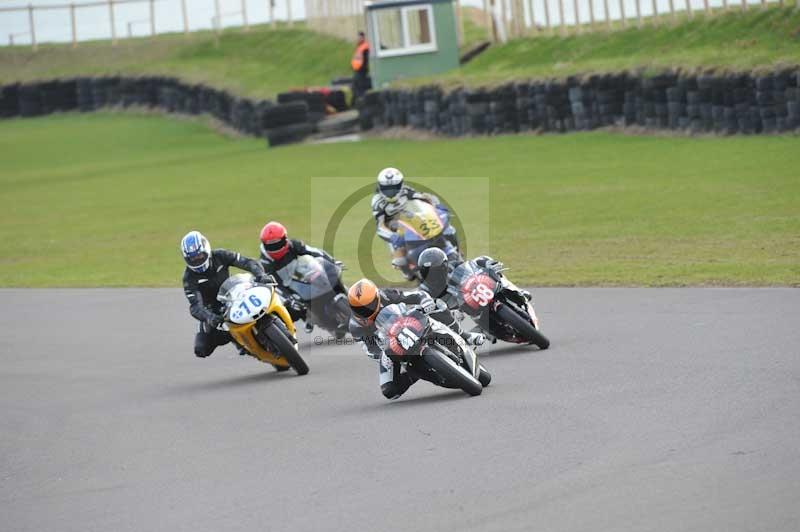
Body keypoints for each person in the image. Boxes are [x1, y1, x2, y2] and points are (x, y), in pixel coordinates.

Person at [347, 278, 484, 400]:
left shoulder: (386, 295)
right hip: (391, 345)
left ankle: (464, 336)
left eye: (369, 306)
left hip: (409, 324)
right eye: (359, 309)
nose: (365, 311)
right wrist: (383, 353)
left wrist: (425, 302)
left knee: (438, 306)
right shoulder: (355, 326)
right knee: (390, 391)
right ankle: (414, 374)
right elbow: (370, 349)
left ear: (377, 298)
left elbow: (416, 295)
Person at [181, 230, 273, 358]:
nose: (197, 260)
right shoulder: (189, 278)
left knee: (268, 291)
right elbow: (195, 307)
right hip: (214, 309)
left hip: (234, 293)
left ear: (206, 249)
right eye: (193, 258)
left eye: (200, 255)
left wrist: (261, 275)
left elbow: (247, 262)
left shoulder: (220, 255)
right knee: (201, 348)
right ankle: (240, 342)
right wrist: (209, 317)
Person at [417, 247, 531, 342]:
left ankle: (517, 291)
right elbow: (424, 306)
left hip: (473, 290)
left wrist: (486, 264)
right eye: (429, 271)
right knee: (465, 325)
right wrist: (443, 310)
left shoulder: (453, 265)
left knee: (495, 273)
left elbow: (473, 264)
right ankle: (486, 331)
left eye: (438, 269)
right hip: (458, 307)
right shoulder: (425, 289)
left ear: (445, 265)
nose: (434, 274)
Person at [259, 221, 343, 332]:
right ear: (265, 245)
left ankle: (349, 298)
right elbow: (276, 285)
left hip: (302, 271)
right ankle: (308, 318)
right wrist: (289, 298)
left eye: (277, 243)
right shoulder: (266, 263)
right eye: (271, 245)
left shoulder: (292, 244)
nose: (275, 247)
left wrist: (332, 261)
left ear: (285, 239)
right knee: (297, 307)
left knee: (329, 276)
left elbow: (314, 252)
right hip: (287, 284)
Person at [370, 167, 445, 280]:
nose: (391, 192)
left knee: (441, 230)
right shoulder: (377, 202)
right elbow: (380, 225)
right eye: (387, 189)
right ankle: (408, 271)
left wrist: (435, 205)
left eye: (394, 188)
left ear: (401, 185)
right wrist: (392, 236)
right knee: (400, 261)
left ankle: (451, 250)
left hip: (409, 219)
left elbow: (423, 198)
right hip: (393, 228)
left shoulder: (406, 191)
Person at [351, 31, 372, 101]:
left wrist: (363, 68)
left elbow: (365, 59)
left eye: (359, 37)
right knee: (355, 85)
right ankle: (358, 100)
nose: (358, 39)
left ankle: (362, 99)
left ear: (363, 38)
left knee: (360, 86)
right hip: (357, 69)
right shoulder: (359, 46)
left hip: (361, 70)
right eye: (357, 37)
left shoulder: (365, 47)